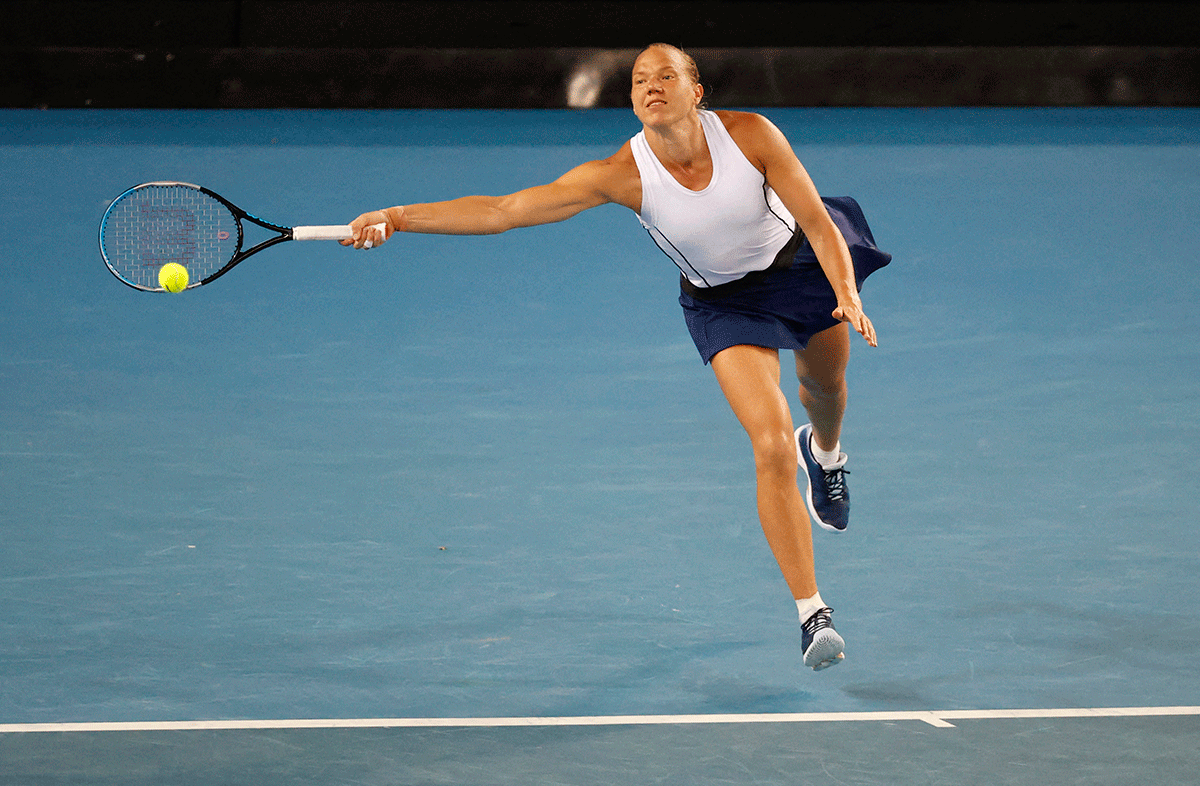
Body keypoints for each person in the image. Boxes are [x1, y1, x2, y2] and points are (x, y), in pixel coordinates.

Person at [341, 43, 890, 671]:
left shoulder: (752, 135)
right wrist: (398, 216)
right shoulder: (622, 174)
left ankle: (824, 453)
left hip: (799, 268)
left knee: (826, 389)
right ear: (632, 100)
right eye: (638, 81)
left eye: (666, 76)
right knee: (767, 444)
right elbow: (504, 211)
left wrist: (846, 292)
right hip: (724, 305)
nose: (651, 87)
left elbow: (817, 221)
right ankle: (812, 613)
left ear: (696, 91)